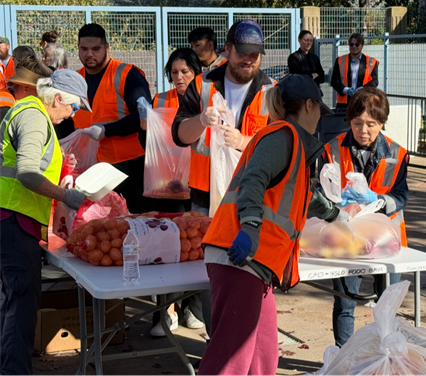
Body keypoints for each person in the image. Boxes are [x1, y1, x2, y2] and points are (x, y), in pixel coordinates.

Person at [198, 74, 342, 375]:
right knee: (231, 358)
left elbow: (301, 195)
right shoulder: (283, 136)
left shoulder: (293, 145)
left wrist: (336, 215)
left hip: (255, 262)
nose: (320, 119)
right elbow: (255, 179)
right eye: (319, 110)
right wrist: (250, 226)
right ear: (309, 105)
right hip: (240, 255)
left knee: (261, 357)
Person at [172, 19, 275, 342]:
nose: (248, 60)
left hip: (253, 200)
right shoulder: (202, 86)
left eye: (255, 55)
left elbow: (282, 145)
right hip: (206, 200)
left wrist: (246, 143)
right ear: (227, 50)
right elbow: (179, 135)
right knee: (212, 277)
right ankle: (218, 343)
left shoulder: (272, 90)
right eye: (242, 53)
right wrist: (200, 120)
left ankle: (246, 346)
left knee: (253, 277)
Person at [0, 69, 91, 376]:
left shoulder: (32, 113)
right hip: (12, 220)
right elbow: (26, 172)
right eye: (74, 107)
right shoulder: (35, 116)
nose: (71, 115)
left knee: (14, 301)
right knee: (22, 303)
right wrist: (66, 196)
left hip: (14, 219)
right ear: (59, 97)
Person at [322, 87, 409, 347]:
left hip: (387, 240)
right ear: (348, 120)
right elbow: (321, 192)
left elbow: (402, 195)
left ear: (382, 123)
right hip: (348, 238)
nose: (364, 130)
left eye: (371, 124)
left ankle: (387, 355)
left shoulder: (398, 153)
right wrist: (337, 204)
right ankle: (343, 356)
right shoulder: (332, 149)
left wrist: (378, 201)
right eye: (357, 123)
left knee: (388, 304)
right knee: (345, 301)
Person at [147, 48, 203, 337]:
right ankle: (164, 311)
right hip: (165, 184)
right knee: (165, 246)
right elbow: (149, 132)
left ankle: (192, 307)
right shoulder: (160, 100)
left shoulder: (204, 98)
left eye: (185, 72)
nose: (179, 77)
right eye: (174, 72)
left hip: (197, 183)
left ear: (196, 73)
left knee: (193, 245)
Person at [74, 23, 153, 213]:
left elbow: (144, 117)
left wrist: (107, 131)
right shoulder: (76, 79)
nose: (89, 54)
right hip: (89, 168)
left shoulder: (127, 75)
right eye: (84, 49)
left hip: (128, 168)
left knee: (133, 222)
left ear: (107, 48)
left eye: (96, 49)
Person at [330, 33, 379, 109]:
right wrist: (345, 90)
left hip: (364, 101)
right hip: (344, 103)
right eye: (351, 44)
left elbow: (374, 81)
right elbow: (334, 80)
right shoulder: (340, 60)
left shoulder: (371, 62)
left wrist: (362, 89)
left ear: (362, 45)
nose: (354, 47)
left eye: (357, 44)